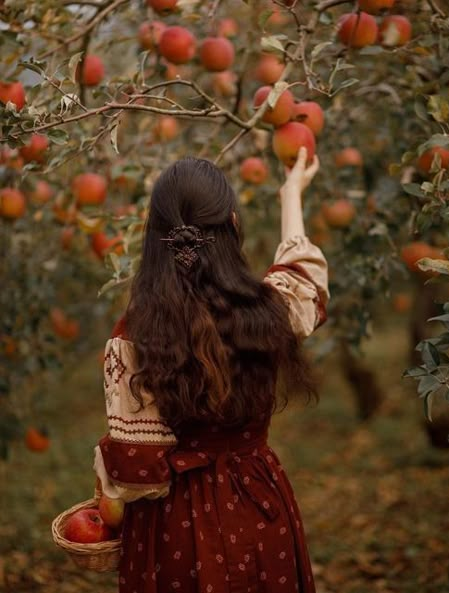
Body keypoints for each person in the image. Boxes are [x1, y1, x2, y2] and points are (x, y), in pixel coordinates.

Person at [93, 146, 329, 593]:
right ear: (233, 227)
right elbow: (304, 276)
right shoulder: (266, 311)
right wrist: (290, 193)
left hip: (174, 526)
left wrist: (106, 483)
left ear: (155, 238)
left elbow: (136, 471)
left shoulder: (136, 335)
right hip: (260, 505)